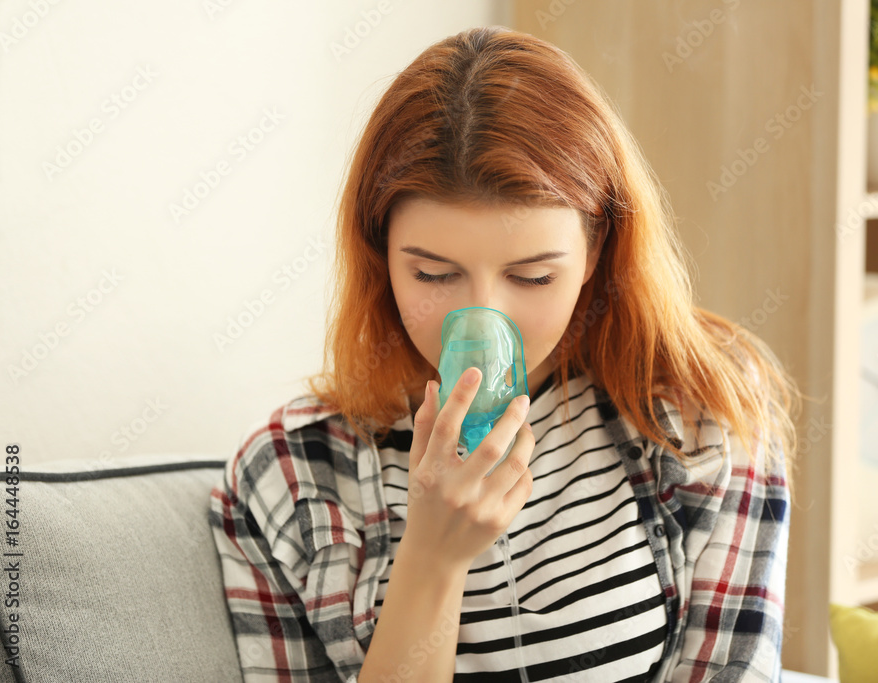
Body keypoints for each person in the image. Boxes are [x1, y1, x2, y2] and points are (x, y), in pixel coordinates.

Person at [209, 25, 802, 683]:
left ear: (597, 251)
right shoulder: (291, 476)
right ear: (380, 256)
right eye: (433, 275)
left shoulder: (699, 409)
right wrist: (432, 560)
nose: (483, 320)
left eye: (533, 277)